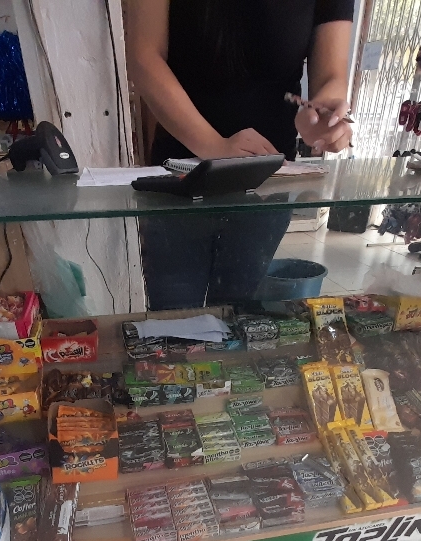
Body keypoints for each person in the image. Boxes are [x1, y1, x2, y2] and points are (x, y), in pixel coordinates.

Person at [127, 0, 355, 310]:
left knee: (241, 314)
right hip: (182, 175)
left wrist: (323, 115)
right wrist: (215, 146)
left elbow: (331, 74)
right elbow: (144, 57)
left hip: (268, 178)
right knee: (176, 316)